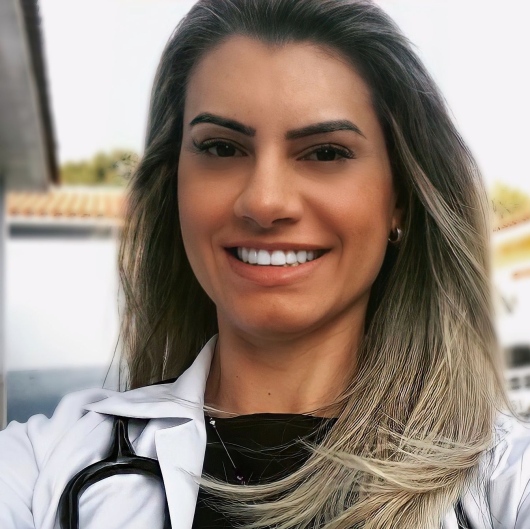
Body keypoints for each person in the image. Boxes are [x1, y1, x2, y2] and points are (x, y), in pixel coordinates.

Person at [1, 0, 529, 527]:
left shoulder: (507, 480)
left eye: (325, 153)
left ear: (401, 200)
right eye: (221, 148)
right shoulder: (42, 466)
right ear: (175, 182)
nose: (264, 201)